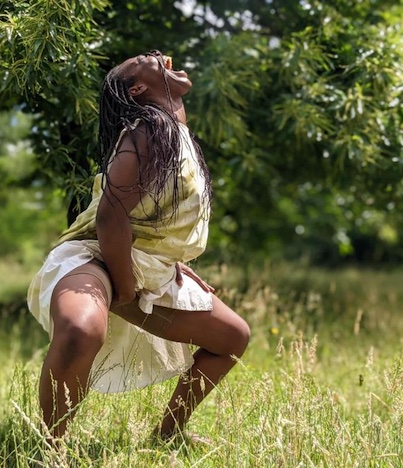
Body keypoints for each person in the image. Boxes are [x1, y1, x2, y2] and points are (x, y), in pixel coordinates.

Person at [27, 50, 250, 442]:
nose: (160, 54)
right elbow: (110, 217)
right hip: (96, 256)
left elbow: (152, 220)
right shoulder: (147, 130)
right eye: (146, 58)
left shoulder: (175, 135)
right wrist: (125, 285)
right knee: (80, 329)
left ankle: (168, 435)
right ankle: (49, 449)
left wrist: (169, 259)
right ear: (139, 88)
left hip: (148, 265)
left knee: (232, 338)